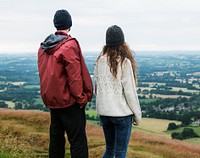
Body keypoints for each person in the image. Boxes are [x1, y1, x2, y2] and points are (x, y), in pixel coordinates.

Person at [38, 9, 93, 158]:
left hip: (53, 102)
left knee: (56, 141)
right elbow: (74, 78)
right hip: (70, 103)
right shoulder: (69, 45)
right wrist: (81, 99)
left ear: (55, 24)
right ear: (70, 24)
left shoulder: (44, 47)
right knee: (78, 142)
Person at [94, 25, 142, 158]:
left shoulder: (100, 61)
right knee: (120, 153)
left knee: (109, 150)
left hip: (104, 114)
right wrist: (137, 116)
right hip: (121, 115)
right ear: (123, 42)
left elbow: (96, 88)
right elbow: (130, 93)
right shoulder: (125, 62)